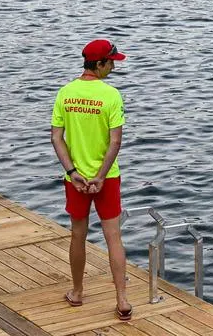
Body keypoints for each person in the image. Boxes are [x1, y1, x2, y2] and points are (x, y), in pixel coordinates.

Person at [50, 39, 132, 321]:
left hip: (75, 180)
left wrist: (73, 173)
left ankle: (77, 291)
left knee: (78, 235)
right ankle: (122, 300)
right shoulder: (111, 96)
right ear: (99, 64)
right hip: (106, 178)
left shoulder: (65, 93)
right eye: (111, 63)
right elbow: (115, 141)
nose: (113, 67)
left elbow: (56, 137)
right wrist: (99, 176)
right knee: (113, 237)